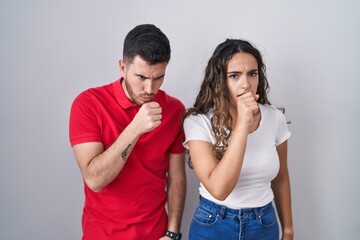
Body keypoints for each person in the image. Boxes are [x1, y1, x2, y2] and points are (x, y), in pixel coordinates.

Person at [69, 24, 186, 240]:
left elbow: (177, 178)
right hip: (102, 235)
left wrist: (172, 232)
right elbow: (95, 179)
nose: (150, 89)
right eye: (141, 77)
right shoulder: (88, 104)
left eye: (158, 77)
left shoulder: (175, 110)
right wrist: (135, 128)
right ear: (122, 67)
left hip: (157, 234)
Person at [183, 39, 293, 240]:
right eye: (234, 76)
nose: (246, 84)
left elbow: (281, 177)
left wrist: (288, 229)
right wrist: (242, 124)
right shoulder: (198, 122)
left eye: (252, 74)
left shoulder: (275, 117)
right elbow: (219, 189)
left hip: (264, 224)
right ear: (220, 81)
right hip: (213, 224)